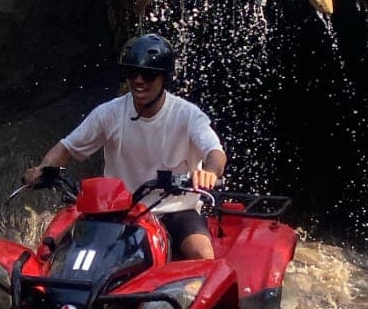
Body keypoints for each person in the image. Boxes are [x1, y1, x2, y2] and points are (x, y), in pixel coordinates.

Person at [24, 33, 226, 261]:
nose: (139, 80)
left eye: (148, 74)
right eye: (132, 72)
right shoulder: (109, 113)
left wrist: (209, 173)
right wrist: (43, 169)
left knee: (201, 253)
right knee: (57, 253)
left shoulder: (187, 115)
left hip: (176, 210)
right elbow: (67, 147)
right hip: (117, 213)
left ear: (164, 78)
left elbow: (214, 152)